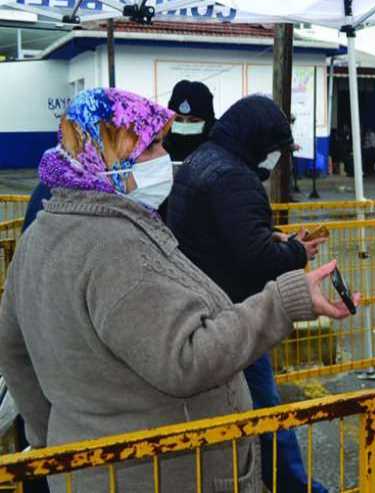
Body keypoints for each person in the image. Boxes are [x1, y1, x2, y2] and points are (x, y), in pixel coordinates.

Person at [0, 88, 356, 493]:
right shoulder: (114, 247)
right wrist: (287, 300)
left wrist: (54, 441)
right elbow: (187, 358)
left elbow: (14, 350)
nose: (163, 158)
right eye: (150, 145)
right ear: (107, 154)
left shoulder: (44, 228)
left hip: (93, 469)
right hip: (159, 473)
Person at [167, 95, 334, 493]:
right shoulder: (236, 178)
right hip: (234, 312)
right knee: (266, 411)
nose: (278, 159)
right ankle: (295, 486)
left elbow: (227, 235)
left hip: (201, 301)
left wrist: (269, 237)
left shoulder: (204, 159)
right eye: (277, 150)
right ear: (258, 141)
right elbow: (256, 258)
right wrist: (295, 250)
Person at [165, 79, 215, 163]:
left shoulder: (220, 147)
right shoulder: (158, 144)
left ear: (208, 121)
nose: (184, 126)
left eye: (194, 121)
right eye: (178, 119)